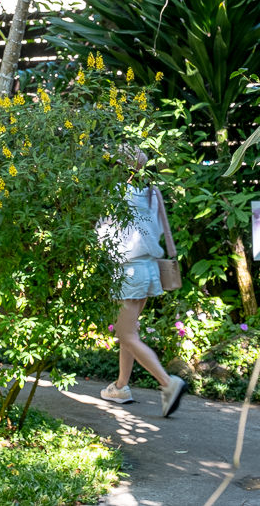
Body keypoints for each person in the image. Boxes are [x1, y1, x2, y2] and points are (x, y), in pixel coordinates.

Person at [97, 147, 186, 417]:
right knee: (130, 331)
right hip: (149, 269)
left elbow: (102, 233)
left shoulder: (115, 194)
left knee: (125, 333)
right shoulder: (151, 193)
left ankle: (168, 383)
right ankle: (121, 386)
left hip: (128, 269)